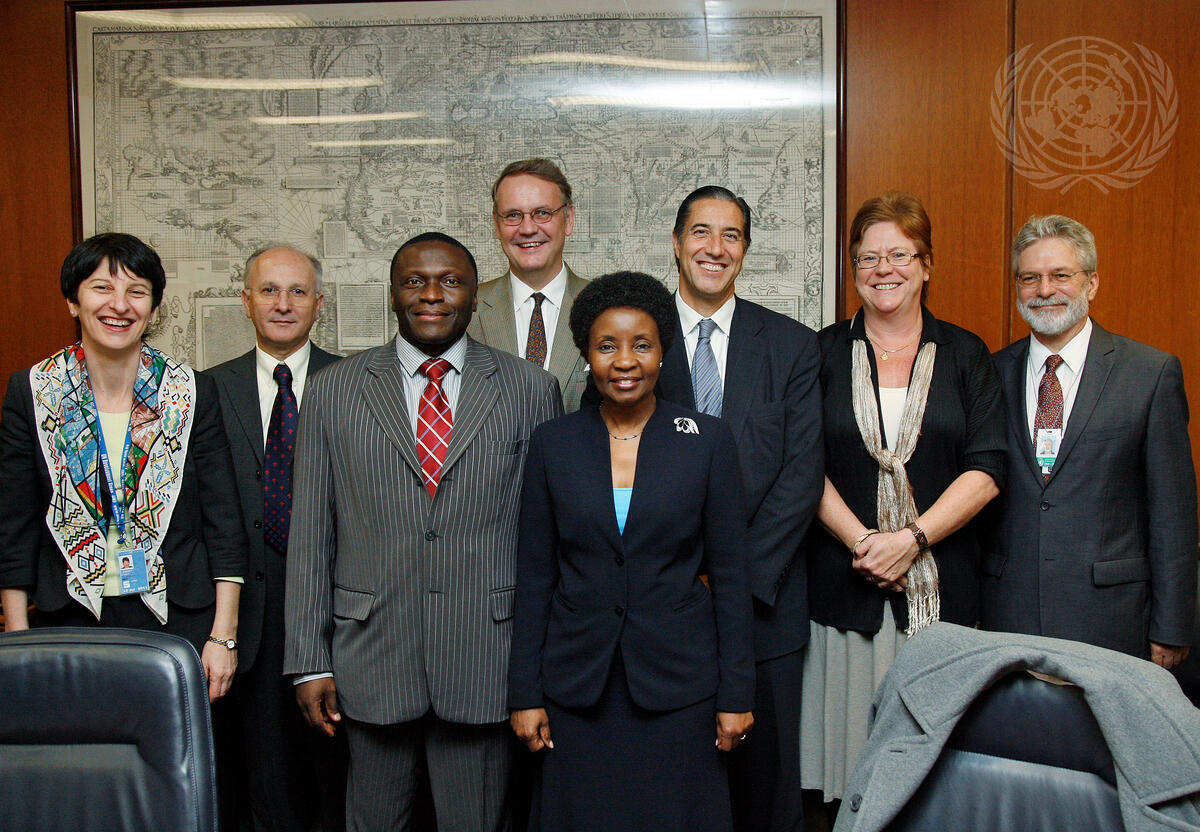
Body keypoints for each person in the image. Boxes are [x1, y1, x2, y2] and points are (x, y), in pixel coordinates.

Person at [284, 232, 563, 831]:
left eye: (450, 281)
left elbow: (544, 544)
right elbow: (310, 536)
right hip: (371, 659)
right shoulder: (333, 390)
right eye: (414, 281)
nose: (432, 294)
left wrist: (537, 672)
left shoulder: (530, 390)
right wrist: (308, 662)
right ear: (392, 294)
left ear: (475, 295)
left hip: (485, 659)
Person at [509, 270, 755, 831]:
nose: (625, 361)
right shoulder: (553, 443)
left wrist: (737, 694)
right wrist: (525, 694)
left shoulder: (707, 441)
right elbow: (536, 576)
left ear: (663, 352)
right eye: (607, 346)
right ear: (586, 355)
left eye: (641, 345)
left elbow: (732, 578)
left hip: (679, 686)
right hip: (577, 686)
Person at [800, 192, 1006, 805]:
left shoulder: (967, 354)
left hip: (941, 600)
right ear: (853, 269)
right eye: (868, 258)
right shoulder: (820, 353)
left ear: (926, 264)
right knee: (849, 771)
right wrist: (865, 543)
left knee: (934, 777)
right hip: (844, 596)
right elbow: (801, 463)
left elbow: (987, 468)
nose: (883, 269)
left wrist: (911, 541)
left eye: (899, 255)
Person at [0, 232, 246, 703]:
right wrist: (17, 639)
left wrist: (224, 636)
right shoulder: (33, 392)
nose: (119, 305)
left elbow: (224, 521)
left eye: (137, 291)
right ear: (73, 301)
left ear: (152, 309)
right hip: (68, 617)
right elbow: (14, 526)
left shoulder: (189, 392)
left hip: (176, 618)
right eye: (101, 288)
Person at [663, 185, 823, 831]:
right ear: (677, 243)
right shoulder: (634, 337)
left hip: (766, 607)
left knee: (766, 792)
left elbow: (800, 477)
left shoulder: (791, 345)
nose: (715, 247)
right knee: (673, 785)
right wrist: (681, 579)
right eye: (701, 232)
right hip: (661, 606)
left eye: (731, 235)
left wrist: (733, 581)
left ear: (746, 250)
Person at [982, 214, 1197, 666]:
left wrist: (1172, 627)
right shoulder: (989, 375)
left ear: (1092, 283)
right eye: (1030, 278)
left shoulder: (1150, 374)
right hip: (1007, 614)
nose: (1044, 290)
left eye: (1061, 275)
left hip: (1113, 617)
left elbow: (1173, 513)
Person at [206, 245, 347, 832]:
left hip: (342, 621)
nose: (282, 304)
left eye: (297, 292)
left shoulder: (358, 385)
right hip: (247, 622)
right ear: (246, 301)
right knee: (259, 789)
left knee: (339, 786)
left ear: (319, 304)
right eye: (268, 290)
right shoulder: (206, 390)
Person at [468, 158, 590, 411]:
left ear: (568, 219)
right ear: (497, 224)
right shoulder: (466, 310)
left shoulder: (605, 307)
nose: (527, 229)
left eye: (542, 213)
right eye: (513, 215)